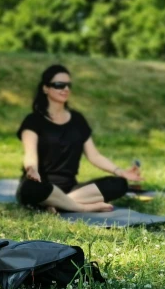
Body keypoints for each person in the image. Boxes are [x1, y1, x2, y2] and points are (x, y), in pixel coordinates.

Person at [16, 64, 143, 213]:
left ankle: (58, 204)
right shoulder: (33, 120)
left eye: (68, 85)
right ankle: (79, 206)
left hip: (71, 188)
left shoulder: (77, 120)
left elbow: (94, 155)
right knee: (31, 188)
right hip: (42, 185)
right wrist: (32, 170)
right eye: (59, 85)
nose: (66, 89)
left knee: (119, 184)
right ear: (45, 88)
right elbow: (30, 154)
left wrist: (120, 171)